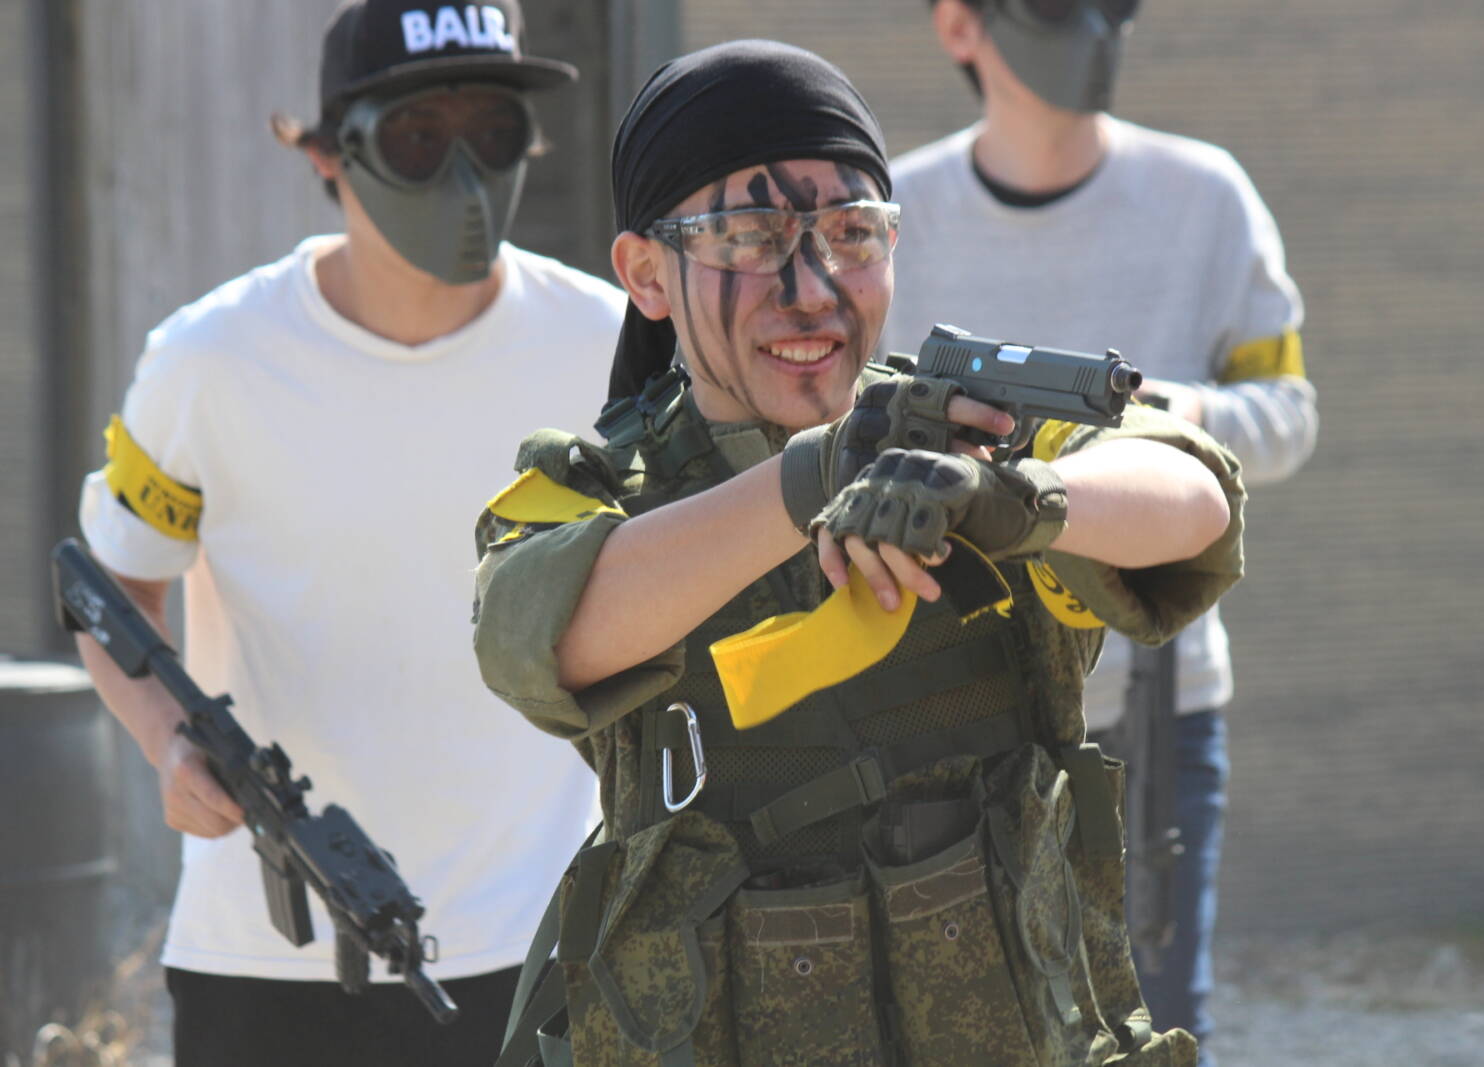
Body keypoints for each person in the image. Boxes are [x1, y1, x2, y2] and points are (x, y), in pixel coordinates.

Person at [474, 38, 1246, 1066]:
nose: (812, 287)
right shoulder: (601, 493)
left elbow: (1196, 499)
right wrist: (814, 474)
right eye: (749, 239)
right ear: (646, 274)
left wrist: (1014, 501)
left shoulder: (976, 434)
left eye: (852, 233)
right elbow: (535, 636)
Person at [71, 2, 625, 1064]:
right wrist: (167, 740)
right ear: (329, 153)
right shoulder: (209, 359)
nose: (464, 175)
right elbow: (111, 584)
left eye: (493, 132)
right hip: (267, 959)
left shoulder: (608, 344)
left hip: (549, 941)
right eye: (418, 136)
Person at [881, 2, 1319, 1062]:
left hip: (1158, 699)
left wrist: (1174, 418)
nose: (1087, 25)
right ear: (958, 25)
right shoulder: (891, 217)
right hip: (946, 706)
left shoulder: (1207, 195)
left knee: (1153, 1029)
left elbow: (1289, 414)